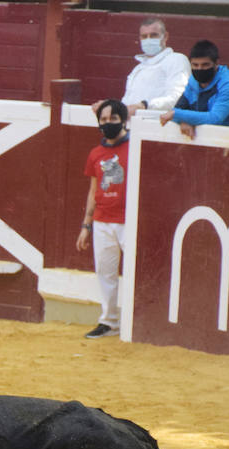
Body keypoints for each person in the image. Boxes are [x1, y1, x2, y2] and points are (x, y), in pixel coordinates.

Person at [76, 99, 130, 340]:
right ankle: (109, 322)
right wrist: (86, 225)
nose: (108, 124)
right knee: (105, 273)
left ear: (123, 120)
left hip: (129, 221)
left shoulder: (136, 147)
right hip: (102, 220)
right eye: (104, 120)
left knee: (134, 273)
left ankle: (133, 321)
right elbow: (93, 190)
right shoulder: (95, 154)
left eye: (113, 119)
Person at [97, 17, 189, 116]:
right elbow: (127, 104)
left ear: (165, 36)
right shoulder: (138, 69)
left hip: (159, 124)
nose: (148, 40)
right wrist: (108, 106)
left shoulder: (176, 60)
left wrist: (145, 105)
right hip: (132, 125)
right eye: (144, 36)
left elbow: (178, 97)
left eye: (153, 35)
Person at [161, 40, 229, 139]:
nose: (199, 69)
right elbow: (180, 108)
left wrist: (177, 115)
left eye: (205, 65)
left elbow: (215, 118)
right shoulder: (193, 80)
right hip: (211, 137)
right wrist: (183, 121)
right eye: (195, 65)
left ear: (216, 64)